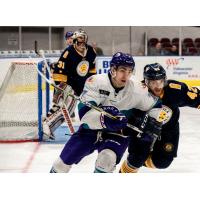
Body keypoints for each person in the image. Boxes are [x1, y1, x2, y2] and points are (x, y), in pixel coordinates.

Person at [50, 52, 163, 173]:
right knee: (60, 165)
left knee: (107, 159)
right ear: (113, 69)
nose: (126, 75)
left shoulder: (137, 88)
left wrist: (151, 122)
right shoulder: (95, 82)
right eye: (123, 70)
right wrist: (104, 118)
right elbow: (84, 114)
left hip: (118, 133)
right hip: (89, 131)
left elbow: (155, 106)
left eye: (130, 71)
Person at [120, 63, 200, 173]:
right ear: (146, 82)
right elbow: (124, 114)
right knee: (136, 159)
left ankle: (138, 161)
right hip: (143, 129)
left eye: (160, 82)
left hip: (168, 129)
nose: (157, 86)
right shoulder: (137, 92)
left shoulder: (175, 90)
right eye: (153, 83)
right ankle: (132, 164)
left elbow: (197, 97)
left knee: (162, 162)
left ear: (165, 80)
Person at [43, 29, 97, 139]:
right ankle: (46, 125)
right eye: (79, 41)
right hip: (67, 83)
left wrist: (91, 83)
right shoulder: (69, 52)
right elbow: (59, 70)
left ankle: (48, 125)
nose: (81, 44)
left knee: (68, 110)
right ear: (75, 41)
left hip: (80, 86)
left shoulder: (91, 51)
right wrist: (60, 87)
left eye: (83, 41)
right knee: (64, 107)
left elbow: (91, 70)